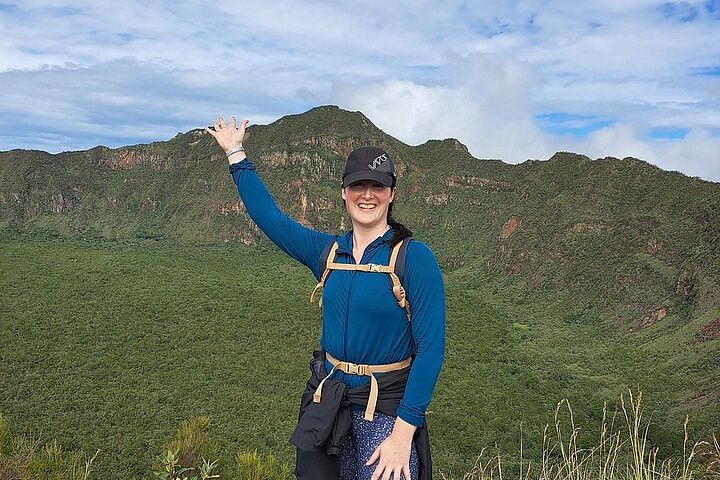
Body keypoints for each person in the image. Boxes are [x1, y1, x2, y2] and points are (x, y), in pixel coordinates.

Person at [205, 115, 445, 480]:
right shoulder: (329, 253)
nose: (367, 195)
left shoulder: (413, 258)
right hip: (328, 402)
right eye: (358, 185)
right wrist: (236, 155)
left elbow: (431, 350)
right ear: (343, 192)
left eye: (377, 186)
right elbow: (273, 220)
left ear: (391, 194)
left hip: (384, 413)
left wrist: (403, 433)